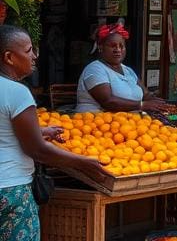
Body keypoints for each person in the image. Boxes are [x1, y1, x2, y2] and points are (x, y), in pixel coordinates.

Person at [0, 25, 108, 238]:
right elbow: (38, 151)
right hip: (11, 189)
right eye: (29, 50)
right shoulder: (17, 93)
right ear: (9, 57)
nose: (34, 57)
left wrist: (39, 130)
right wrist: (82, 162)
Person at [75, 23, 167, 113]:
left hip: (128, 123)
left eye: (121, 46)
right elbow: (108, 101)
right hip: (96, 122)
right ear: (100, 47)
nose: (118, 50)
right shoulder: (95, 69)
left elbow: (146, 94)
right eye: (112, 46)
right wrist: (141, 105)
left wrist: (158, 103)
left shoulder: (128, 71)